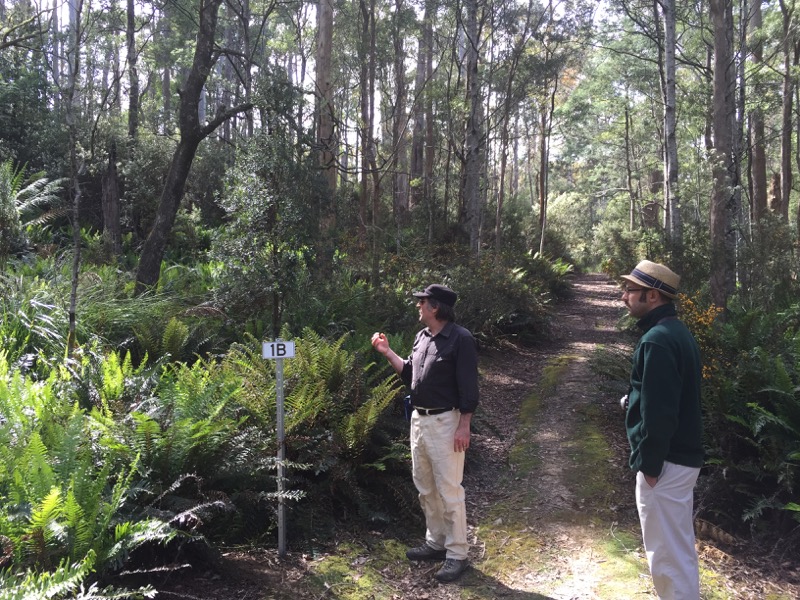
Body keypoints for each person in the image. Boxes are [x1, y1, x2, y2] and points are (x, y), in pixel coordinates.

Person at [371, 284, 478, 583]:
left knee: (449, 489)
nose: (418, 307)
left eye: (422, 302)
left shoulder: (461, 339)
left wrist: (464, 424)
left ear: (436, 307)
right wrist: (386, 351)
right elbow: (409, 374)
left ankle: (457, 554)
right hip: (419, 420)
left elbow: (469, 387)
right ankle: (436, 542)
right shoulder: (422, 338)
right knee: (425, 486)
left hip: (447, 423)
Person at [620, 260, 705, 600]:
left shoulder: (657, 340)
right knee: (677, 548)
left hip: (666, 463)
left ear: (652, 295)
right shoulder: (677, 332)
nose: (624, 296)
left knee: (667, 555)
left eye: (630, 290)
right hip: (681, 459)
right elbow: (665, 395)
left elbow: (661, 413)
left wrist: (650, 465)